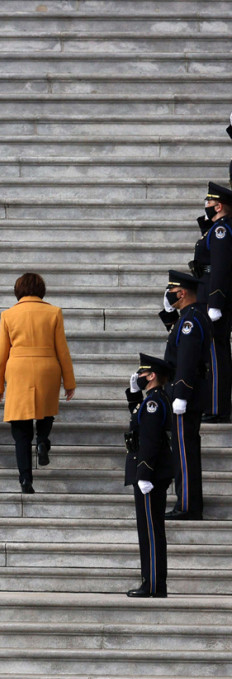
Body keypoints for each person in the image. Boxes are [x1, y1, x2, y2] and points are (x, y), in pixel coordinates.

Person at [0, 273, 76, 494]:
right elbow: (62, 350)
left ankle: (25, 479)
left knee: (20, 431)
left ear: (18, 290)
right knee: (46, 411)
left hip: (18, 370)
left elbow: (1, 353)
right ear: (41, 289)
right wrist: (69, 381)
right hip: (47, 367)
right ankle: (42, 439)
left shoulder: (8, 315)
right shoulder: (53, 312)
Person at [123, 353, 177, 598]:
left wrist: (143, 471)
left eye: (142, 374)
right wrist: (134, 393)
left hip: (150, 474)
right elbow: (138, 420)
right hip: (152, 472)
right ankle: (153, 582)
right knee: (149, 530)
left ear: (152, 376)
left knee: (151, 531)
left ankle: (153, 584)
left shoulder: (154, 402)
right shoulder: (153, 399)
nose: (139, 377)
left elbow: (151, 439)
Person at [162, 270, 211, 520]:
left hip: (186, 396)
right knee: (184, 450)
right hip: (188, 394)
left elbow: (188, 360)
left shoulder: (191, 321)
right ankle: (188, 503)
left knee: (184, 451)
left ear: (181, 293)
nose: (168, 296)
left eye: (171, 292)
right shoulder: (189, 317)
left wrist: (180, 393)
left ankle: (188, 506)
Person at [190, 182, 232, 422]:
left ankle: (218, 407)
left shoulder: (222, 231)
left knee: (217, 355)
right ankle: (213, 404)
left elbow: (220, 268)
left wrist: (215, 301)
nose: (205, 206)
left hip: (215, 299)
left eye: (208, 202)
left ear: (218, 205)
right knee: (212, 354)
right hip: (207, 294)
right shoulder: (216, 228)